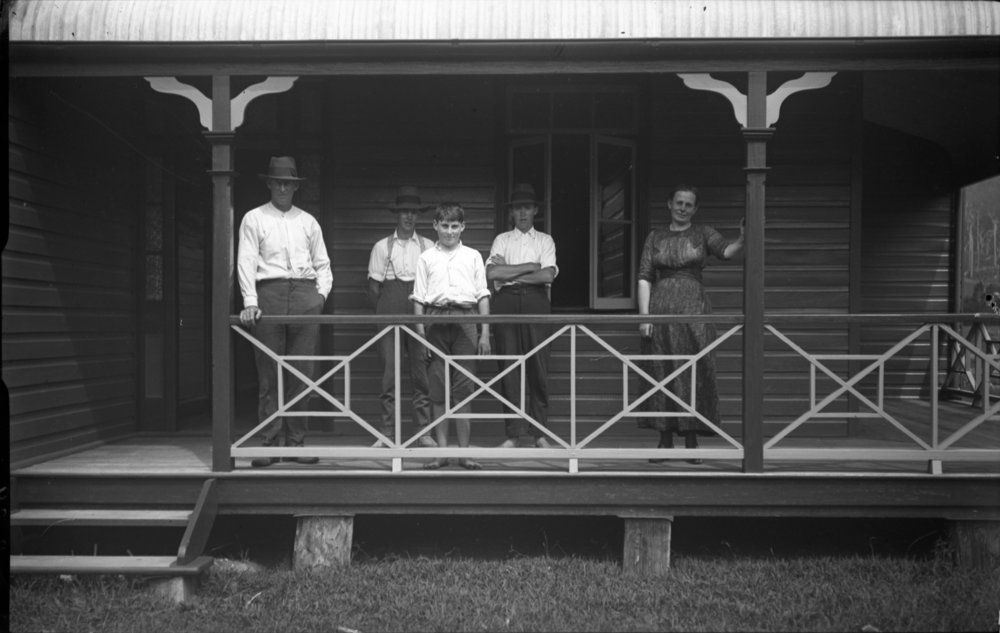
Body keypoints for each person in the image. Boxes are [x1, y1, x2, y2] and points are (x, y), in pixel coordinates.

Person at [237, 156, 332, 467]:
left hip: (305, 294)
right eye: (277, 182)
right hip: (270, 293)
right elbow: (247, 261)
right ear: (269, 184)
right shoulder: (254, 218)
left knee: (301, 373)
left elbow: (323, 265)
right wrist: (250, 300)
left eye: (287, 183)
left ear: (295, 187)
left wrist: (319, 296)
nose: (282, 187)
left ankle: (296, 444)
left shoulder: (308, 222)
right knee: (269, 372)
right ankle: (268, 444)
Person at [637, 185, 743, 464]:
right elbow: (645, 276)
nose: (683, 208)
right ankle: (664, 439)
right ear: (669, 204)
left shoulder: (703, 232)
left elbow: (727, 251)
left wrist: (744, 239)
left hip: (694, 307)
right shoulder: (655, 236)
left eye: (689, 204)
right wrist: (645, 317)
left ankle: (692, 439)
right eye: (679, 203)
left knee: (694, 367)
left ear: (695, 209)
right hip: (660, 309)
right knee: (661, 368)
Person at [410, 202, 492, 470]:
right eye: (444, 225)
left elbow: (482, 295)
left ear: (463, 227)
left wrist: (485, 333)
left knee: (464, 389)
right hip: (435, 322)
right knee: (438, 390)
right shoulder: (426, 258)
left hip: (466, 321)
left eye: (454, 226)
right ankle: (442, 453)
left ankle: (465, 454)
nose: (449, 231)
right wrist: (421, 336)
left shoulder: (472, 256)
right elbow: (419, 300)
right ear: (435, 225)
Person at [487, 183, 559, 449]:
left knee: (538, 366)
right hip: (506, 302)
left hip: (536, 301)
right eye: (518, 208)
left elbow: (547, 275)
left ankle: (539, 432)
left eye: (527, 207)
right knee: (508, 366)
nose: (523, 213)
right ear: (512, 212)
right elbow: (493, 274)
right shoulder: (502, 240)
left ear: (535, 210)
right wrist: (529, 266)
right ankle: (513, 433)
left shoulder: (545, 240)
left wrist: (512, 271)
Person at [366, 186, 437, 448]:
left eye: (414, 212)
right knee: (389, 374)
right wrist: (387, 309)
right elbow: (374, 289)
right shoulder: (382, 247)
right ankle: (386, 433)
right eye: (405, 212)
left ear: (419, 216)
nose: (409, 216)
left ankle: (423, 431)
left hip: (419, 307)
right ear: (397, 215)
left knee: (421, 372)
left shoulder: (429, 246)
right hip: (390, 307)